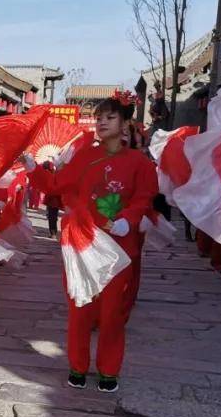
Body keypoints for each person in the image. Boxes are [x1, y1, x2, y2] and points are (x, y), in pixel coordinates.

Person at [28, 93, 158, 392]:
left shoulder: (139, 162)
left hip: (117, 247)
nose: (101, 122)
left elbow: (144, 196)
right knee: (80, 307)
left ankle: (109, 368)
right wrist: (31, 167)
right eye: (99, 117)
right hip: (82, 243)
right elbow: (55, 185)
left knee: (112, 312)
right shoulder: (84, 156)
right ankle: (77, 365)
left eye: (110, 117)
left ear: (126, 123)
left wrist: (129, 218)